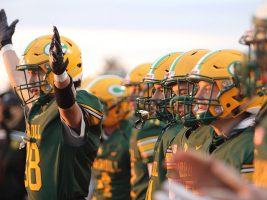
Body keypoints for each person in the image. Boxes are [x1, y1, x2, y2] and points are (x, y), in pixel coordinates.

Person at [0, 9, 103, 199]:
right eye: (29, 72)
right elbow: (17, 79)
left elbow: (69, 112)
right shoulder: (40, 106)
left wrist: (61, 76)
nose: (30, 80)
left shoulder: (79, 101)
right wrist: (5, 44)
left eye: (36, 72)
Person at [133, 52, 185, 200]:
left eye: (161, 90)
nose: (154, 98)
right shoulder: (170, 128)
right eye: (154, 90)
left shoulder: (179, 132)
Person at [86, 75, 133, 200]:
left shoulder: (131, 135)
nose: (94, 112)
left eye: (100, 106)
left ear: (117, 106)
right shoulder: (93, 133)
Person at [124, 63, 165, 200]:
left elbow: (152, 178)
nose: (131, 96)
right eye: (129, 90)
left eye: (136, 90)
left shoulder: (150, 127)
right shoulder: (142, 122)